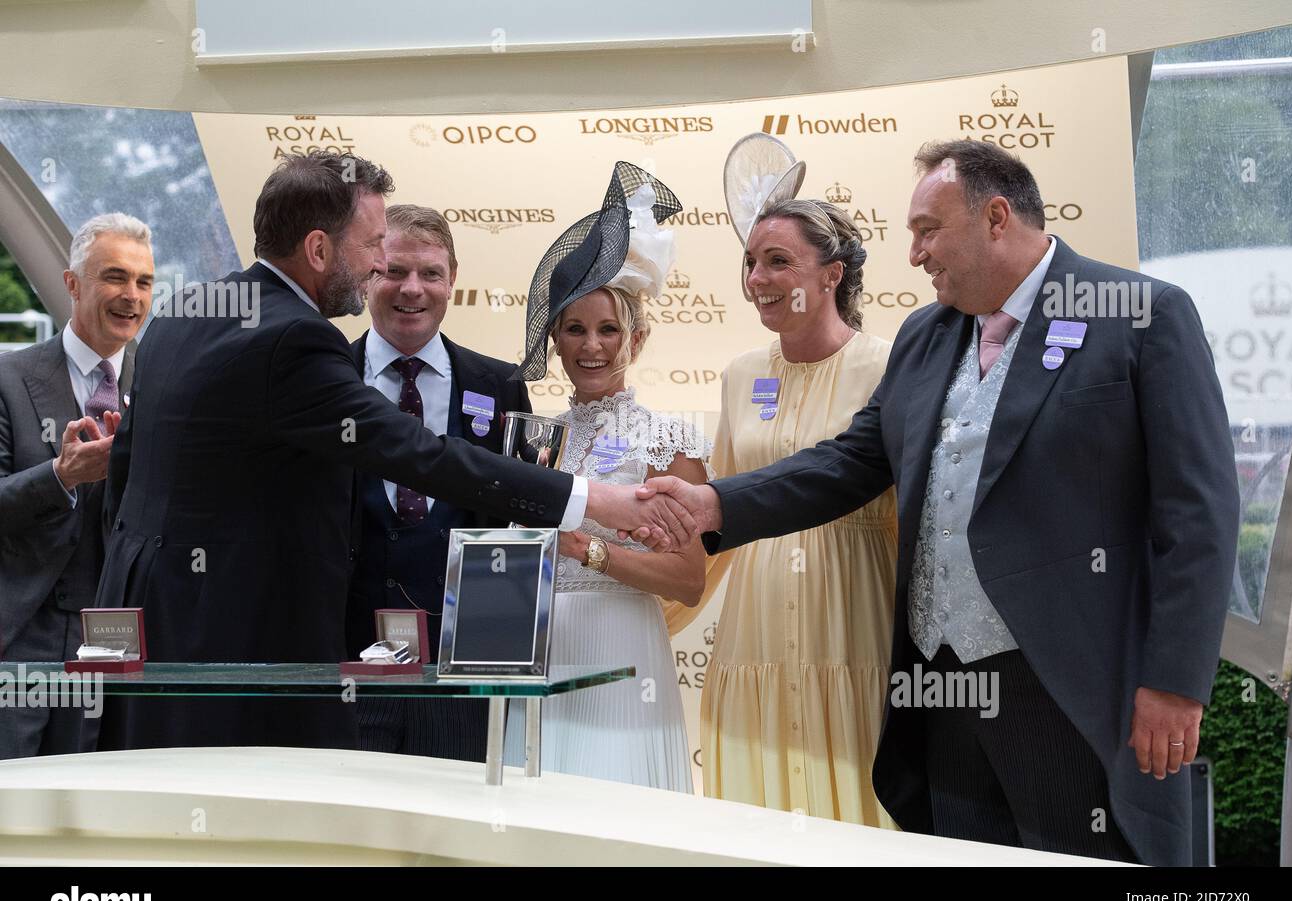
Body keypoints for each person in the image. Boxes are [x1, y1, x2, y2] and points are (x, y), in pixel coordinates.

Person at [641, 139, 1238, 865]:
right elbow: (850, 462)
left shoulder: (1140, 315)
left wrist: (1175, 684)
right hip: (940, 688)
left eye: (928, 230)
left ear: (994, 218)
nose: (916, 255)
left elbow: (1198, 514)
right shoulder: (927, 335)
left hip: (1068, 691)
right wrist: (715, 505)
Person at [94, 152, 696, 752]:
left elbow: (123, 469)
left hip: (151, 627)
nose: (380, 264)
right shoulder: (296, 338)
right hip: (243, 640)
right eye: (373, 246)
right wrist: (595, 499)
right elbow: (421, 454)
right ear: (318, 250)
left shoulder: (182, 314)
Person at [697, 133, 898, 824]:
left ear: (832, 274)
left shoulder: (891, 368)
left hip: (856, 635)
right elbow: (713, 519)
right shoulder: (739, 376)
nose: (757, 279)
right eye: (750, 262)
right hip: (749, 640)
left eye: (778, 261)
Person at [502, 161, 705, 790]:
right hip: (537, 656)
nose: (593, 346)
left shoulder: (668, 439)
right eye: (576, 330)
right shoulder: (533, 441)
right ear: (555, 341)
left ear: (636, 339)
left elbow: (689, 579)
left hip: (623, 656)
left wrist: (583, 548)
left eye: (608, 329)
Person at [344, 203, 532, 760]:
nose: (412, 289)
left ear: (454, 280)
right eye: (393, 271)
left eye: (430, 273)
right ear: (367, 275)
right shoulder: (323, 377)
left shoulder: (501, 386)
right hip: (346, 667)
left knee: (455, 836)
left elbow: (521, 518)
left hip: (465, 675)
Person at [0, 213, 149, 758]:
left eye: (144, 282)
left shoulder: (164, 385)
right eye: (114, 277)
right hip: (19, 639)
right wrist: (62, 475)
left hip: (120, 642)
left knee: (93, 808)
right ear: (72, 284)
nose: (131, 296)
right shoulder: (8, 379)